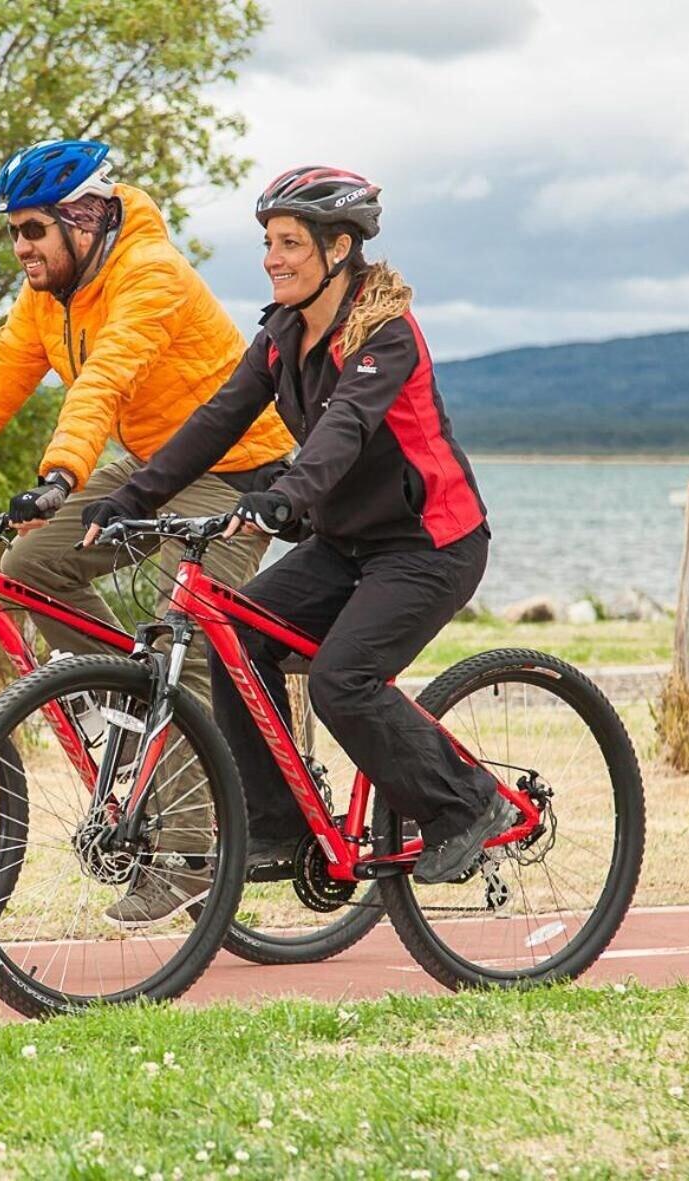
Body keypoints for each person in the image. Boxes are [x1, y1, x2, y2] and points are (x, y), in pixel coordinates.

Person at [0, 138, 295, 926]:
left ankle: (192, 853)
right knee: (30, 567)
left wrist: (63, 472)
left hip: (237, 472)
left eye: (33, 230)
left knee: (186, 637)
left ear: (86, 217)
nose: (21, 247)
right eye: (13, 232)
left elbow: (108, 377)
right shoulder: (47, 298)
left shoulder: (150, 272)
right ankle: (134, 704)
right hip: (151, 468)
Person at [83, 166, 506, 916]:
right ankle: (279, 821)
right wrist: (132, 495)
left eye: (289, 243)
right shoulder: (281, 334)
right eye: (268, 243)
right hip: (346, 545)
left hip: (429, 545)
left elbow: (343, 429)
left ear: (339, 248)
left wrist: (284, 498)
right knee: (235, 636)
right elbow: (218, 419)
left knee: (344, 681)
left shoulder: (386, 334)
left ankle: (470, 803)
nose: (272, 257)